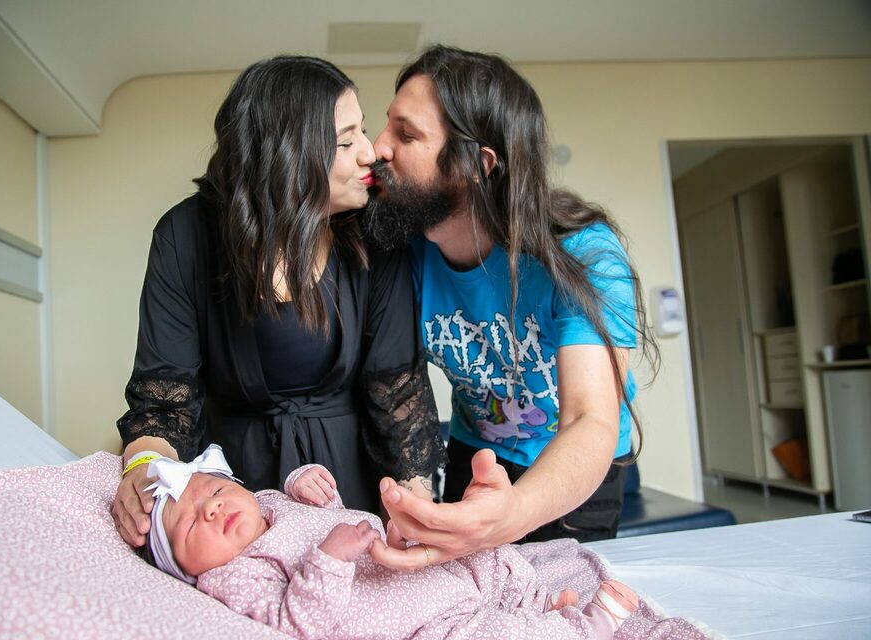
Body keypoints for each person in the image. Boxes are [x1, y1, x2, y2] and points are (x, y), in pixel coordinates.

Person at [111, 55, 444, 549]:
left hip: (347, 494)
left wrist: (415, 510)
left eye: (363, 130)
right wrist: (143, 469)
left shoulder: (377, 234)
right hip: (230, 502)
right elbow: (164, 400)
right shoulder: (186, 236)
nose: (370, 152)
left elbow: (398, 397)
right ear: (286, 156)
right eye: (345, 141)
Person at [363, 45, 659, 569]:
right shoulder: (405, 251)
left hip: (574, 472)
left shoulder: (584, 253)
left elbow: (589, 419)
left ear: (476, 165)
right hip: (477, 456)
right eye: (385, 126)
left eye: (405, 135)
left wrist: (513, 513)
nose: (376, 147)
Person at [144, 444, 640, 640]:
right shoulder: (231, 574)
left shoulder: (269, 505)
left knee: (489, 555)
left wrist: (311, 486)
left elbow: (332, 521)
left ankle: (535, 605)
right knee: (487, 636)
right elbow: (293, 622)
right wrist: (328, 559)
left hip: (412, 565)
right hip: (414, 620)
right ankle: (580, 629)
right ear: (185, 568)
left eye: (215, 492)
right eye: (189, 525)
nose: (211, 509)